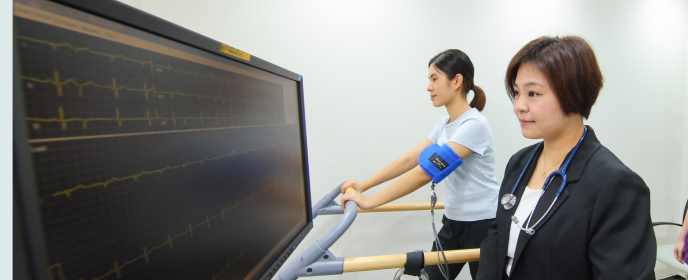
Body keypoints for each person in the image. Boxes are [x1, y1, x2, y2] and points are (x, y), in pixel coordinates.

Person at [475, 36, 656, 280]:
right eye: (517, 92)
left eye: (533, 93)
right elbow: (497, 238)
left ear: (574, 93)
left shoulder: (615, 185)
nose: (519, 105)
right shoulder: (520, 162)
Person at [340, 49, 499, 280]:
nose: (429, 87)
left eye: (434, 79)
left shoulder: (474, 125)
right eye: (429, 80)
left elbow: (425, 173)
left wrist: (370, 202)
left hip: (483, 224)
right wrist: (364, 185)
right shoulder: (445, 124)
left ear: (456, 81)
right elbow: (409, 159)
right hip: (454, 222)